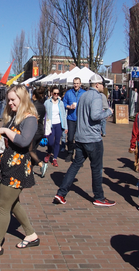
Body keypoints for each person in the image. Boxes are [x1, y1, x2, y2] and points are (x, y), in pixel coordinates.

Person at [0, 85, 39, 260]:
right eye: (9, 100)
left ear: (22, 99)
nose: (10, 103)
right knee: (12, 203)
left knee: (3, 206)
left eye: (13, 100)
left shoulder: (30, 119)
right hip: (7, 165)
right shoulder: (14, 116)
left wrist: (5, 131)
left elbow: (23, 141)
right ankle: (31, 235)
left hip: (17, 168)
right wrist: (0, 140)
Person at [54, 74, 115, 206]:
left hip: (80, 138)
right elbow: (95, 115)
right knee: (97, 168)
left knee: (75, 165)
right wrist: (108, 112)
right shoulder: (96, 97)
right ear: (97, 85)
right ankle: (99, 197)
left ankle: (61, 193)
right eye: (102, 85)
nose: (103, 87)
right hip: (92, 139)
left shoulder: (83, 96)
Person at [62, 77, 86, 162]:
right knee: (70, 137)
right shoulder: (68, 93)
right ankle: (70, 152)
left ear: (80, 84)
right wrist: (69, 106)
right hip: (71, 118)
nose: (76, 85)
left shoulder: (84, 93)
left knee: (80, 138)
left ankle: (78, 156)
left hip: (81, 119)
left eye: (77, 83)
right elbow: (63, 103)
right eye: (74, 83)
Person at [44, 86, 67, 168]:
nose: (56, 95)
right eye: (55, 93)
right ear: (51, 93)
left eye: (58, 93)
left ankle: (54, 159)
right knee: (50, 142)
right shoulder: (47, 102)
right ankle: (49, 153)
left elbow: (63, 115)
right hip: (50, 124)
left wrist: (65, 126)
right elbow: (44, 114)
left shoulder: (61, 103)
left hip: (58, 124)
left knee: (57, 142)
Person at [30, 87, 48, 178]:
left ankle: (41, 164)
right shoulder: (43, 106)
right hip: (40, 130)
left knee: (30, 150)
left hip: (34, 131)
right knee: (34, 150)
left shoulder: (32, 106)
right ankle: (31, 170)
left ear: (34, 96)